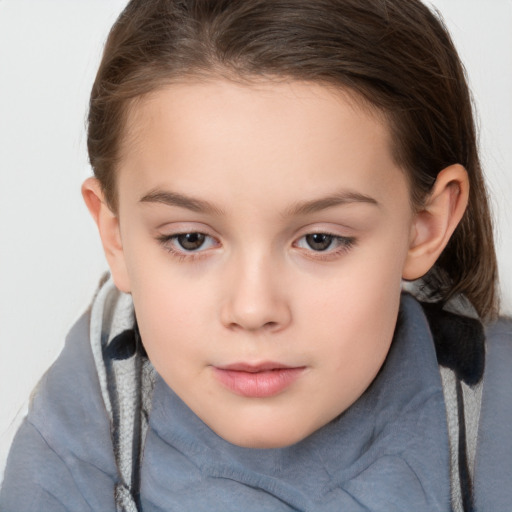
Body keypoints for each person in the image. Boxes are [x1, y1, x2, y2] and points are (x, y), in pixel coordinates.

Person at [1, 0, 510, 510]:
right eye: (191, 239)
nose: (253, 309)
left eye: (320, 240)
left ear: (425, 225)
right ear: (116, 235)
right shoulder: (72, 449)